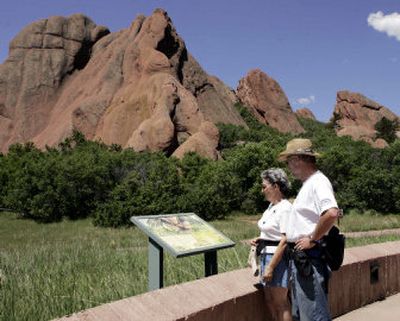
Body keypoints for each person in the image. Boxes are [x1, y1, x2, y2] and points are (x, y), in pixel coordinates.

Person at [278, 138, 340, 321]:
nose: (289, 166)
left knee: (313, 315)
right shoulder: (310, 183)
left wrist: (312, 239)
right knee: (303, 314)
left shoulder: (318, 182)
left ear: (298, 159)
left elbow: (331, 213)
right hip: (302, 259)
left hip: (310, 258)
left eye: (289, 161)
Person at [251, 168, 293, 321]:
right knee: (269, 300)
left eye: (264, 186)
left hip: (277, 260)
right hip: (265, 256)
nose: (262, 190)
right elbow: (272, 233)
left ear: (275, 186)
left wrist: (271, 266)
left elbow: (285, 240)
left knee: (280, 302)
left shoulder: (285, 208)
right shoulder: (271, 207)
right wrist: (260, 239)